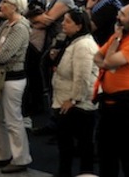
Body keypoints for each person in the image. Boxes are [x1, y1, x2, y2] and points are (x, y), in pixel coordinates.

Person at [93, 4, 129, 177]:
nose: (118, 17)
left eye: (122, 15)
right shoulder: (119, 36)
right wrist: (110, 53)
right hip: (109, 102)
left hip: (128, 105)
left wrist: (114, 44)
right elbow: (97, 57)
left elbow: (107, 61)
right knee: (106, 150)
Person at [0, 0, 33, 173]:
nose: (0, 5)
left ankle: (20, 158)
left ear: (15, 6)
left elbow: (2, 57)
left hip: (13, 78)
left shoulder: (20, 28)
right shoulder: (6, 24)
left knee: (13, 120)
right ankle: (1, 155)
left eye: (5, 2)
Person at [50, 9, 98, 177]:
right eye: (63, 20)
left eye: (68, 21)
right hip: (67, 99)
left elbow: (82, 77)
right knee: (67, 144)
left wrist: (73, 100)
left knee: (81, 145)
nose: (63, 24)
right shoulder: (73, 41)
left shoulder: (84, 46)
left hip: (78, 104)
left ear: (79, 26)